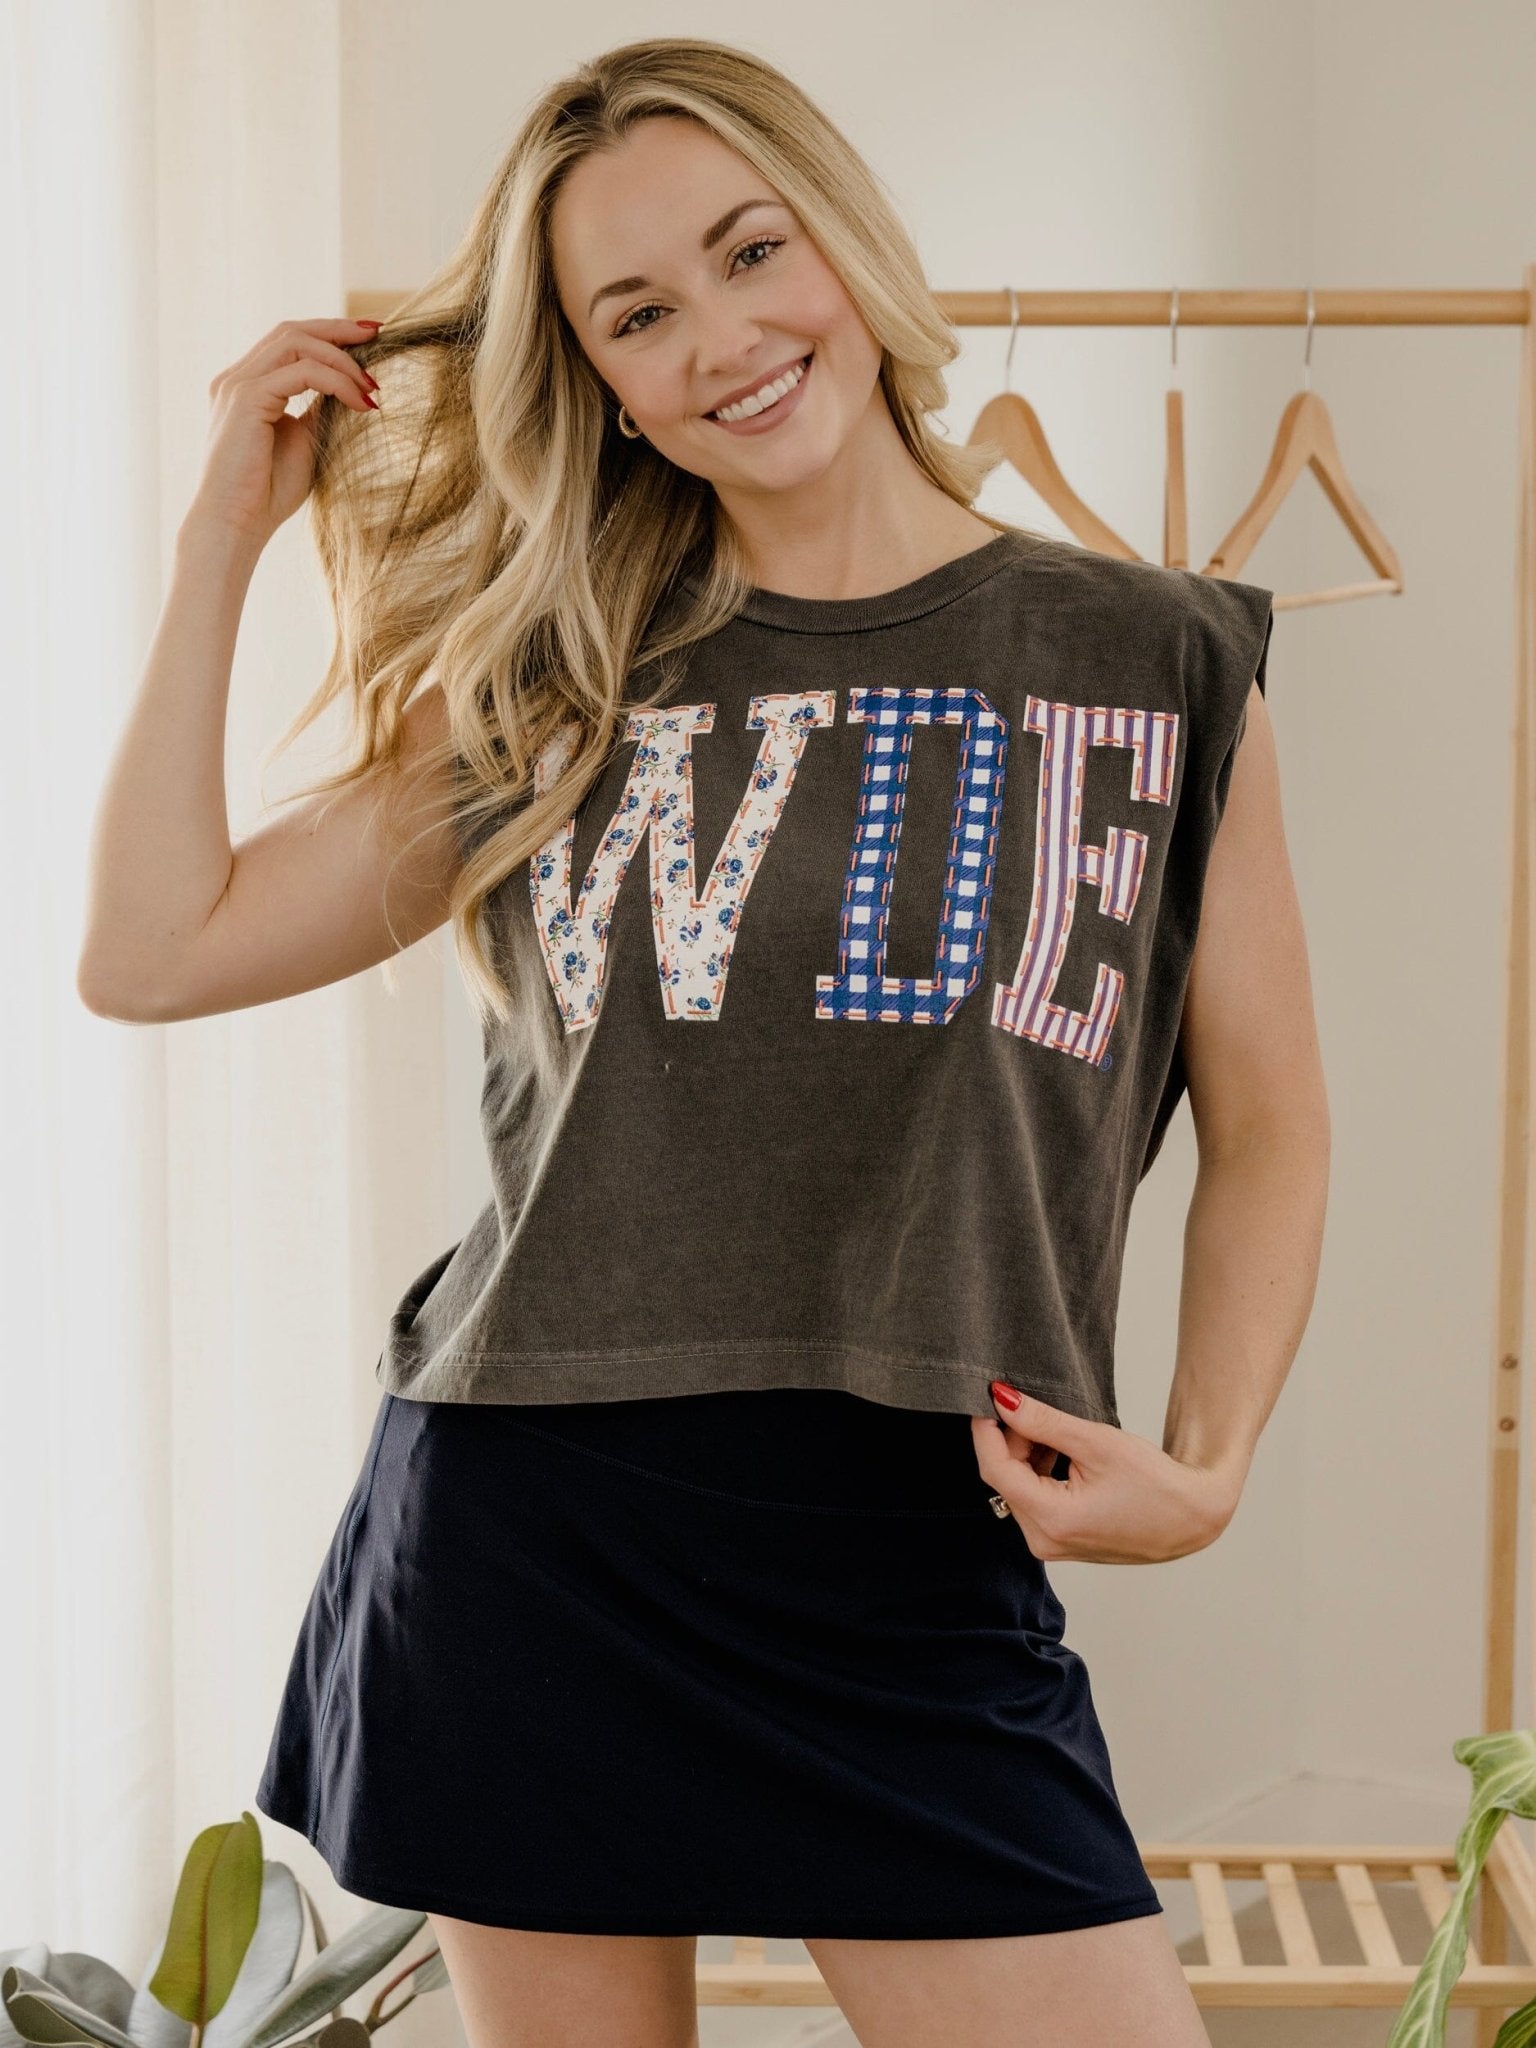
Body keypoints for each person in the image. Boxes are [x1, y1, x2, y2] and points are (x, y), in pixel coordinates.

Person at [76, 35, 1329, 2048]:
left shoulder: (1152, 658)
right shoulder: (557, 673)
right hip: (532, 1546)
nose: (724, 340)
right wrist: (221, 532)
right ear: (595, 379)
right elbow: (150, 952)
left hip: (913, 1564)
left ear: (844, 235)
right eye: (637, 314)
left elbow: (1268, 1119)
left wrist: (1212, 1460)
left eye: (752, 252)